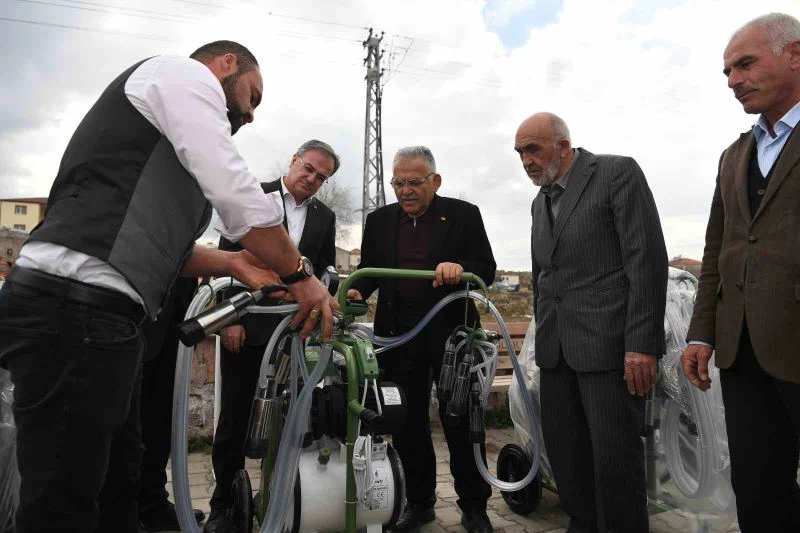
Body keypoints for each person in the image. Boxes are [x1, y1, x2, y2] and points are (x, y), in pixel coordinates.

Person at [0, 40, 337, 533]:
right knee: (63, 503)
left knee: (121, 481)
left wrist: (233, 264)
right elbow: (236, 194)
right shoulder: (183, 75)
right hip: (72, 306)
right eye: (253, 95)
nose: (250, 112)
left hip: (102, 317)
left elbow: (160, 246)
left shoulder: (167, 140)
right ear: (225, 65)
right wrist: (300, 278)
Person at [517, 112, 667, 533]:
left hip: (609, 349)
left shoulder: (616, 173)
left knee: (614, 462)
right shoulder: (538, 202)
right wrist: (538, 347)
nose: (526, 160)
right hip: (556, 353)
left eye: (533, 148)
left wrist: (642, 344)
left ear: (563, 145)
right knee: (566, 458)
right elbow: (543, 278)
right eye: (520, 153)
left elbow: (646, 260)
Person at [681, 13, 800, 533]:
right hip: (741, 352)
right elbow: (719, 251)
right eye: (727, 72)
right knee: (756, 484)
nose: (733, 81)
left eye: (745, 65)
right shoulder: (734, 156)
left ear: (795, 55)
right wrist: (702, 332)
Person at [347, 146, 497, 533]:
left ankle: (474, 506)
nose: (405, 190)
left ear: (436, 181)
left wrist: (460, 267)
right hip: (398, 338)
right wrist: (356, 293)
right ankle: (419, 502)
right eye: (398, 182)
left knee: (460, 420)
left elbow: (486, 268)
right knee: (407, 422)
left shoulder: (464, 215)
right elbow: (368, 270)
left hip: (452, 337)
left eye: (414, 182)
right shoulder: (380, 220)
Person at [204, 140, 338, 532]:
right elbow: (227, 258)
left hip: (295, 332)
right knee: (234, 419)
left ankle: (284, 499)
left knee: (291, 420)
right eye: (309, 168)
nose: (312, 179)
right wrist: (228, 319)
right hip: (248, 325)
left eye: (322, 177)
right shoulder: (255, 196)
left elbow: (324, 269)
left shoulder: (324, 216)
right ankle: (224, 506)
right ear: (294, 160)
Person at [137, 277, 205, 531]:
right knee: (132, 420)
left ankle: (152, 502)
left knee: (161, 416)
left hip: (174, 319)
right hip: (137, 317)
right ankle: (123, 507)